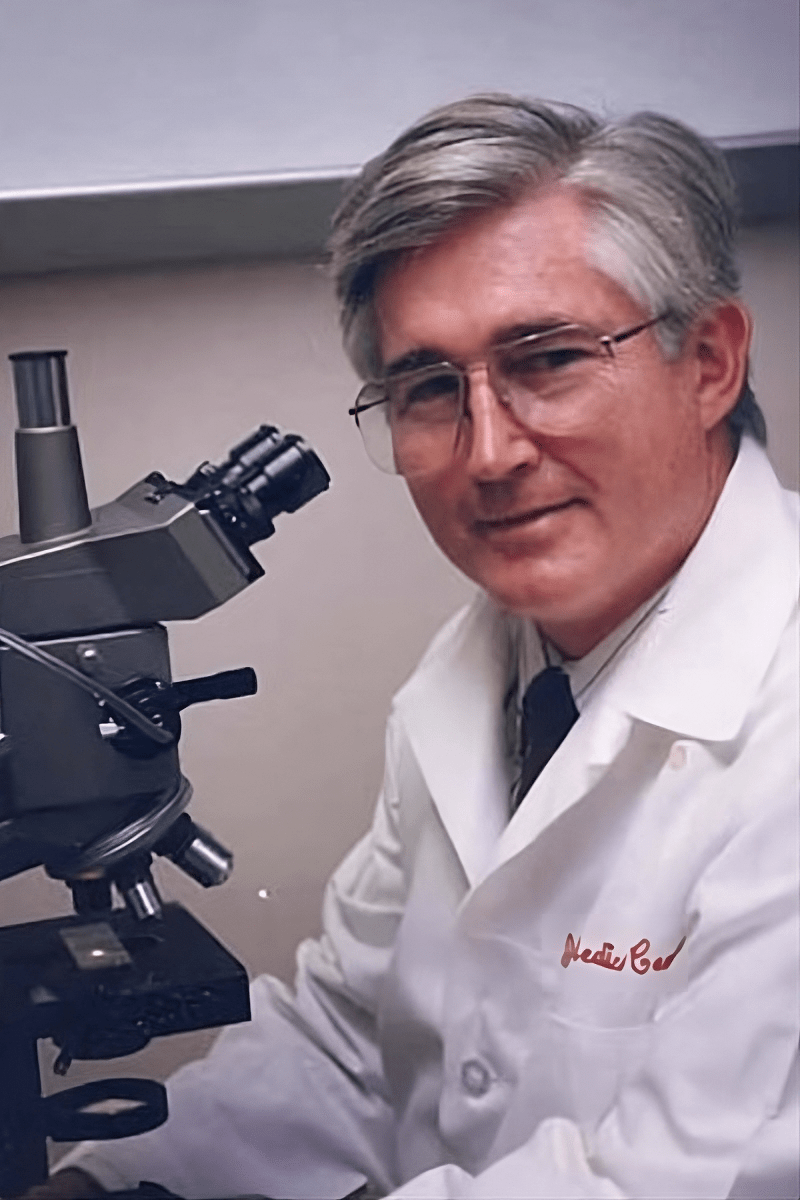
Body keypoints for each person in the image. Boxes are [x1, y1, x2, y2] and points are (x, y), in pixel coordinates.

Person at [36, 95, 798, 1200]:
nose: (487, 452)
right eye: (428, 388)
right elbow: (352, 1041)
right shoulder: (481, 675)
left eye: (545, 359)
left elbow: (676, 1181)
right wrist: (115, 1182)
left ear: (709, 362)